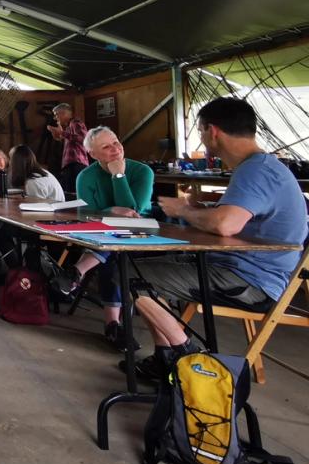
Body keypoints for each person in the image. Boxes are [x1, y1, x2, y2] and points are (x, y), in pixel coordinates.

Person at [129, 97, 308, 381]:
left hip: (251, 281)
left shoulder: (257, 170)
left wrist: (184, 211)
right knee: (141, 263)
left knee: (129, 275)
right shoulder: (258, 167)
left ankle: (184, 355)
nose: (200, 138)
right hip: (238, 268)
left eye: (200, 131)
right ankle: (165, 357)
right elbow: (236, 218)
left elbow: (226, 225)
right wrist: (204, 211)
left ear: (212, 131)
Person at [58, 126, 154, 350]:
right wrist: (110, 211)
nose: (115, 149)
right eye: (106, 146)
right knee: (114, 252)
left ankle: (79, 271)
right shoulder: (86, 176)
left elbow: (133, 212)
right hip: (106, 236)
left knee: (115, 244)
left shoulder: (142, 172)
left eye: (116, 142)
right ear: (92, 154)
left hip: (146, 233)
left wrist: (118, 175)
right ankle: (113, 325)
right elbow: (86, 214)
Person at [48, 103, 89, 193]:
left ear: (64, 113)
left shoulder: (76, 123)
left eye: (56, 114)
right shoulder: (68, 127)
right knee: (70, 192)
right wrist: (58, 136)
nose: (55, 118)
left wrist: (62, 133)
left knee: (74, 193)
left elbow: (84, 139)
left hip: (76, 164)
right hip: (71, 165)